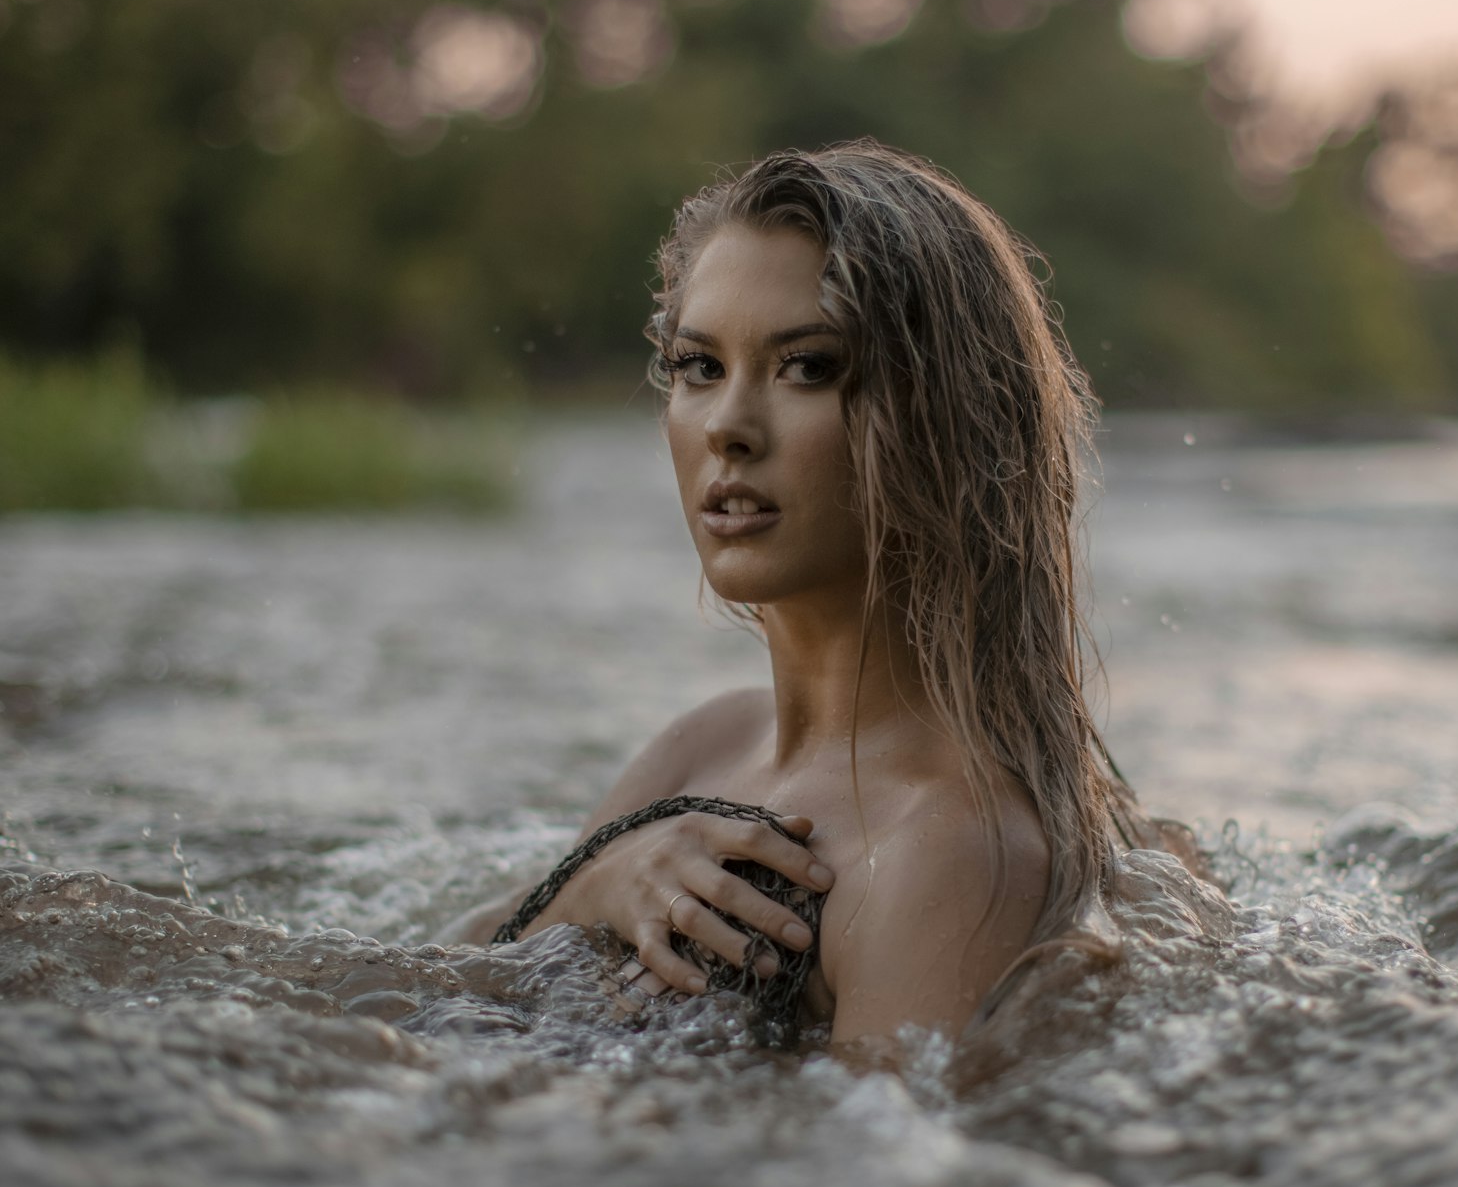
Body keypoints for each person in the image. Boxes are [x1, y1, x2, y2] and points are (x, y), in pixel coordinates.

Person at [445, 140, 1150, 1057]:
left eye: (807, 366)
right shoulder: (703, 745)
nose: (729, 427)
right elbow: (449, 994)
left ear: (948, 417)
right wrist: (591, 888)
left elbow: (875, 1182)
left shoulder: (955, 851)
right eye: (699, 366)